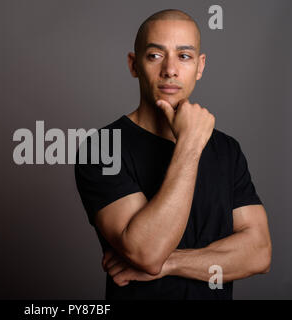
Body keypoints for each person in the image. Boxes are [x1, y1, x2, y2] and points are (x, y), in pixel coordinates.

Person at [74, 9, 272, 300]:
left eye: (184, 56)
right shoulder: (104, 148)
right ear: (134, 64)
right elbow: (147, 252)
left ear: (200, 66)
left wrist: (171, 263)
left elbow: (259, 253)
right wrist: (190, 144)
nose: (170, 69)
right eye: (155, 55)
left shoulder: (227, 150)